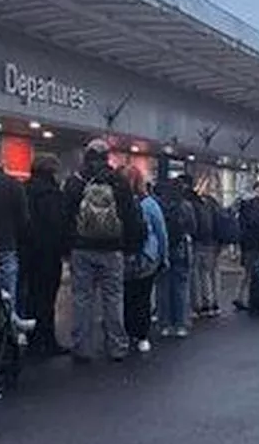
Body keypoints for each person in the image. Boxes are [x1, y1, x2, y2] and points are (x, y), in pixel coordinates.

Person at [62, 139, 143, 362]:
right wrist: (130, 248)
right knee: (114, 298)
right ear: (107, 157)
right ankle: (117, 346)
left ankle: (81, 347)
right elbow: (130, 217)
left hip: (82, 248)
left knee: (82, 298)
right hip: (112, 250)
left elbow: (65, 216)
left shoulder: (76, 182)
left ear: (86, 156)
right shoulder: (119, 181)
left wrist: (67, 247)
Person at [0, 146, 36, 338]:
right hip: (6, 244)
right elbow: (24, 220)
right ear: (2, 163)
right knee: (7, 291)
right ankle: (7, 332)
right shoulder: (13, 185)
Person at [23, 155, 68, 358]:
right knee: (47, 298)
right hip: (49, 254)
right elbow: (59, 225)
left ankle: (32, 339)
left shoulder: (24, 190)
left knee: (30, 297)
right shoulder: (53, 195)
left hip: (28, 253)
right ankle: (48, 340)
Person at [123, 168, 167, 353]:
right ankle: (142, 336)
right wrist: (163, 257)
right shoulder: (150, 204)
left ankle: (125, 332)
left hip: (123, 257)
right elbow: (161, 232)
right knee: (143, 297)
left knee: (125, 297)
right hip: (146, 258)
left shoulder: (118, 202)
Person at [155, 177, 196, 338]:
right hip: (181, 249)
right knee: (181, 288)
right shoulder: (186, 206)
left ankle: (164, 324)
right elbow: (193, 227)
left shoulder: (160, 205)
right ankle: (181, 324)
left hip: (164, 250)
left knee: (163, 288)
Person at [234, 181, 259, 310]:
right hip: (254, 242)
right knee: (252, 271)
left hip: (248, 242)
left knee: (247, 270)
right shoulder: (257, 206)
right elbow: (257, 223)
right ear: (256, 190)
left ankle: (240, 296)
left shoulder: (248, 204)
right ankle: (249, 297)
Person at [190, 178, 221, 319]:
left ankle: (202, 305)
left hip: (200, 242)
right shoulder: (212, 202)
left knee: (200, 274)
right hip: (213, 242)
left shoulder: (195, 204)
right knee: (212, 273)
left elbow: (194, 226)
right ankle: (213, 303)